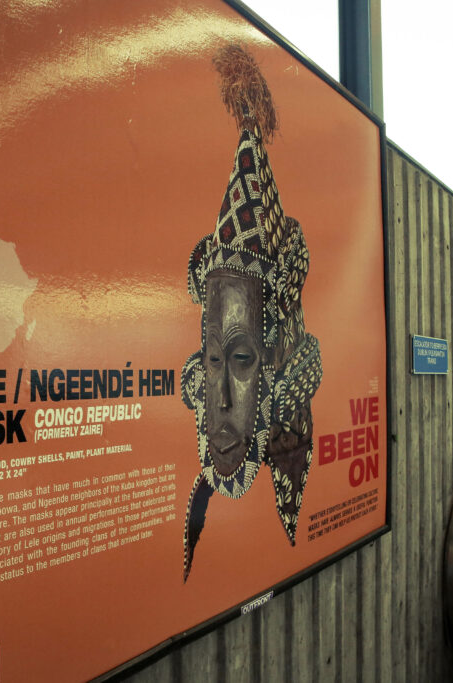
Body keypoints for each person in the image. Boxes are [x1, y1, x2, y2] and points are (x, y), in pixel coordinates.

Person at [180, 45, 322, 581]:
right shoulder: (201, 510)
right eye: (214, 359)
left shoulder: (287, 467)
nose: (219, 402)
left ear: (277, 356)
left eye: (242, 359)